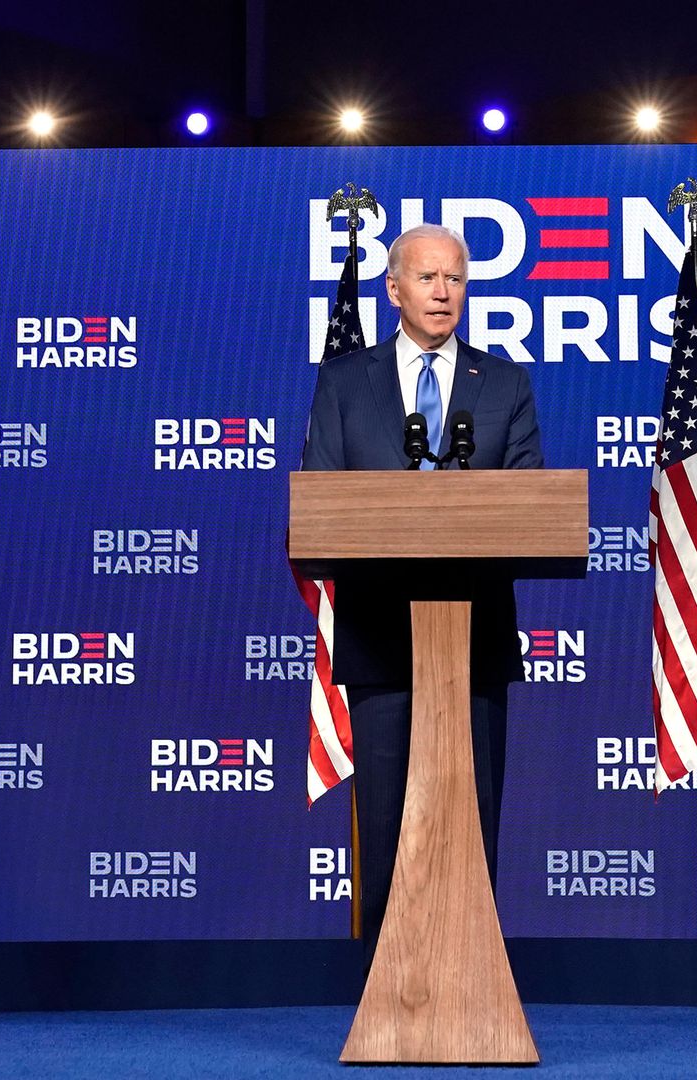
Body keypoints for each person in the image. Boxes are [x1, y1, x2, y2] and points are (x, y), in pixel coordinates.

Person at [300, 223, 544, 963]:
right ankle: (387, 989)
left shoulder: (503, 383)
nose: (444, 292)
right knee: (385, 826)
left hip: (475, 641)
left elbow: (532, 501)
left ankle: (472, 982)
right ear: (395, 289)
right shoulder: (346, 382)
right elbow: (324, 503)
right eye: (429, 278)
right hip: (380, 642)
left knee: (471, 822)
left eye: (457, 279)